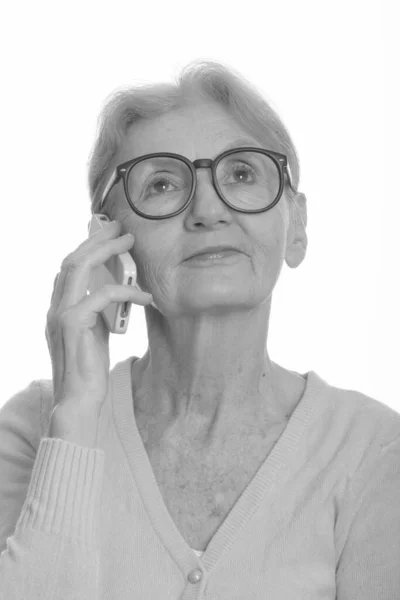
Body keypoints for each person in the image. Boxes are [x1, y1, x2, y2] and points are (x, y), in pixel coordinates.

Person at [0, 60, 399, 599]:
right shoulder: (32, 428)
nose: (209, 210)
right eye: (163, 183)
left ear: (296, 227)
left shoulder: (375, 449)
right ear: (108, 241)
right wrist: (73, 422)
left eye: (241, 174)